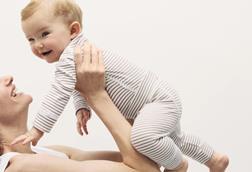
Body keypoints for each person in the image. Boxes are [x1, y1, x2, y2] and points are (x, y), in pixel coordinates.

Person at [12, 0, 229, 172]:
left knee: (143, 138)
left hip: (155, 100)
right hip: (155, 100)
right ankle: (215, 159)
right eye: (30, 39)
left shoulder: (72, 55)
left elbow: (59, 92)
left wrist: (38, 129)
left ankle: (178, 165)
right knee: (173, 139)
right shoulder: (75, 53)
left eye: (44, 34)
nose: (37, 45)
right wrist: (82, 107)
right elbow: (76, 84)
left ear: (73, 30)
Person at [0, 46, 159, 172]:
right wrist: (95, 94)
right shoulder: (21, 167)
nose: (7, 78)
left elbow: (150, 161)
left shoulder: (48, 153)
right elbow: (146, 170)